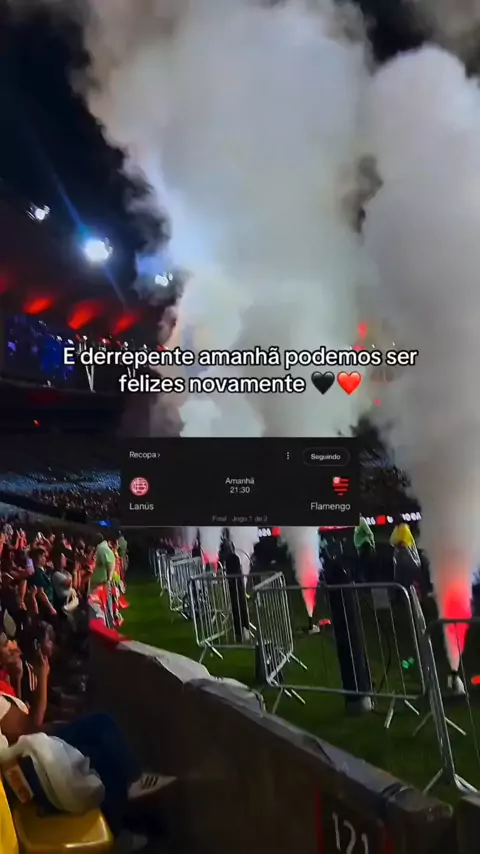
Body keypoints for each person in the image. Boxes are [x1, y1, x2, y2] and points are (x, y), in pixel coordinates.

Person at [389, 516, 421, 588]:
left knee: (406, 577)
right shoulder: (397, 528)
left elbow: (402, 543)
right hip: (401, 557)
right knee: (402, 577)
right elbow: (392, 541)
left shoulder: (403, 527)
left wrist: (397, 544)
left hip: (407, 556)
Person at [353, 514, 376, 582]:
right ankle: (363, 581)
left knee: (364, 566)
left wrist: (373, 544)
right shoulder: (357, 522)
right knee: (361, 567)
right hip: (361, 548)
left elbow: (370, 533)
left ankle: (366, 582)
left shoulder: (362, 520)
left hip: (365, 546)